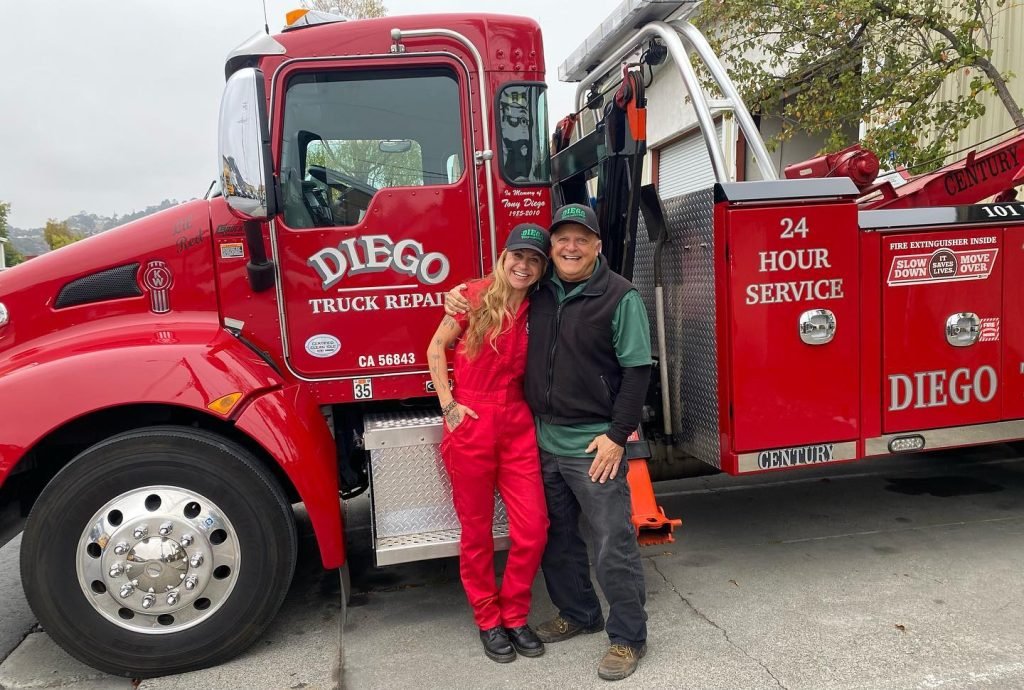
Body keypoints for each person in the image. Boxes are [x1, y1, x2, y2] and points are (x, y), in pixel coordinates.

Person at [446, 203, 653, 681]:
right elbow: (501, 283)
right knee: (554, 536)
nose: (571, 247)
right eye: (563, 239)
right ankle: (579, 613)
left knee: (611, 542)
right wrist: (456, 295)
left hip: (592, 446)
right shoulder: (540, 291)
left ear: (597, 244)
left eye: (582, 238)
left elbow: (638, 372)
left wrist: (616, 437)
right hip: (539, 440)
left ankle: (627, 638)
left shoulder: (620, 297)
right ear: (552, 247)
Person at [426, 223, 552, 664]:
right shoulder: (473, 296)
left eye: (534, 260)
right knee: (476, 532)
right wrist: (450, 407)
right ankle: (488, 620)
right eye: (518, 256)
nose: (524, 265)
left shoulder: (542, 306)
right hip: (472, 421)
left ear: (541, 269)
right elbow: (436, 348)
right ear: (504, 258)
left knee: (534, 528)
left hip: (518, 423)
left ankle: (516, 615)